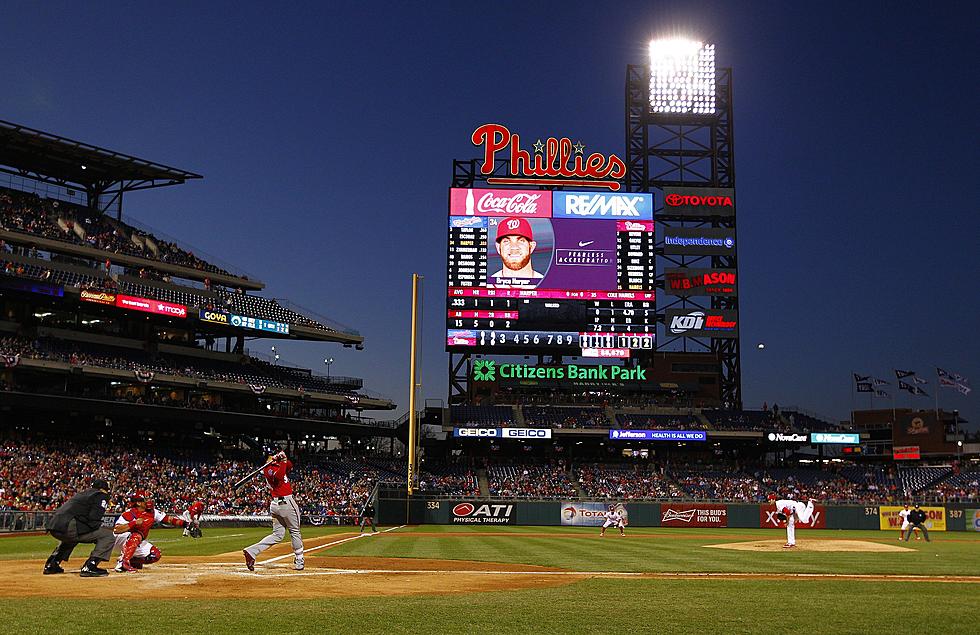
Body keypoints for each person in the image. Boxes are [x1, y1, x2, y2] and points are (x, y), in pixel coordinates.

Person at [243, 451, 305, 571]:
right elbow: (278, 477)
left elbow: (290, 466)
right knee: (295, 531)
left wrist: (284, 459)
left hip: (277, 505)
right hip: (286, 503)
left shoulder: (276, 465)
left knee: (278, 535)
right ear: (268, 458)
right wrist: (282, 461)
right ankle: (299, 560)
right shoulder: (269, 469)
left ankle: (251, 552)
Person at [44, 477, 115, 577]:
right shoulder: (100, 495)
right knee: (107, 535)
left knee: (73, 536)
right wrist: (95, 531)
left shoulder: (83, 493)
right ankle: (90, 566)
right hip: (69, 526)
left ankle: (52, 564)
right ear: (103, 489)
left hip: (54, 525)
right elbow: (94, 517)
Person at [112, 492, 193, 572]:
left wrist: (186, 524)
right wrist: (134, 523)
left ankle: (132, 561)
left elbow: (168, 519)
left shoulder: (152, 512)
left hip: (134, 541)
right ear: (139, 503)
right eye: (146, 499)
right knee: (137, 535)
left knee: (155, 555)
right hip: (119, 540)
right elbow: (116, 530)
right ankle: (123, 562)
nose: (149, 501)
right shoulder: (130, 513)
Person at [489, 217, 543, 286]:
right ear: (498, 247)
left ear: (531, 247)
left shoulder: (547, 285)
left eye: (521, 241)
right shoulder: (487, 286)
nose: (514, 247)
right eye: (507, 241)